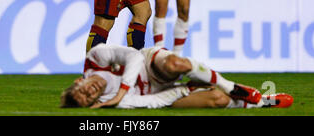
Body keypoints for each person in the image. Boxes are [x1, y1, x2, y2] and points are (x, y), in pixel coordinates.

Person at [60, 44, 294, 109]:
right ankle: (263, 102)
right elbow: (154, 102)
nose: (90, 92)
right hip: (160, 92)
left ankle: (229, 85)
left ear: (78, 81)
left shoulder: (94, 59)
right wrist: (185, 90)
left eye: (82, 90)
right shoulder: (115, 104)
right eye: (89, 98)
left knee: (176, 63)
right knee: (218, 100)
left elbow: (133, 57)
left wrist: (121, 90)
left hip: (150, 65)